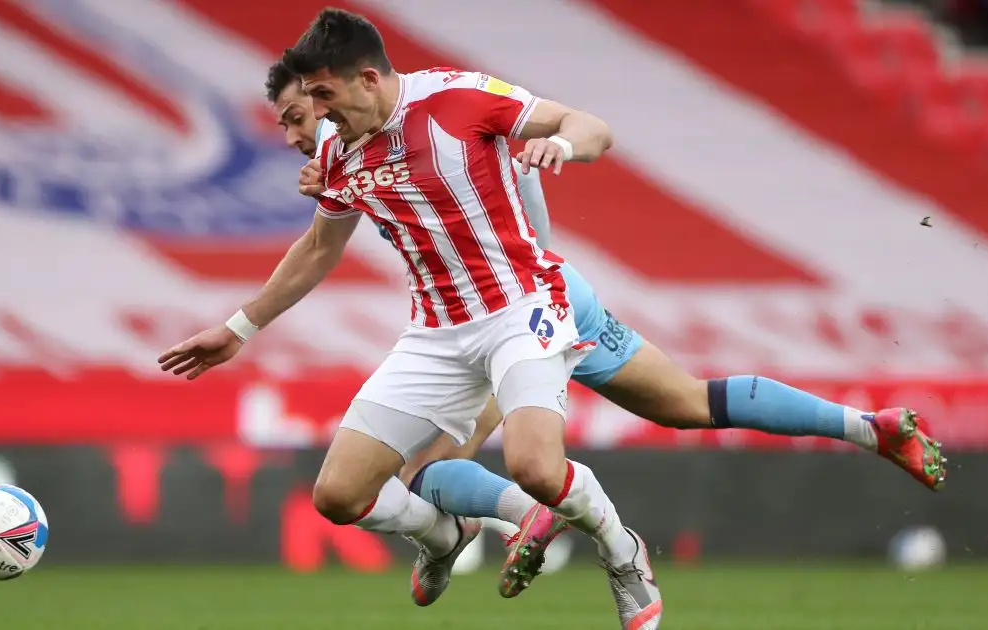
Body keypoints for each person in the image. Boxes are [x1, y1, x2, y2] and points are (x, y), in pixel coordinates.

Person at [161, 8, 663, 629]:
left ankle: (623, 554)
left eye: (324, 95)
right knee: (340, 496)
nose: (318, 113)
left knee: (535, 467)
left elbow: (590, 126)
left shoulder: (457, 98)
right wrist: (237, 330)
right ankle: (442, 536)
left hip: (521, 308)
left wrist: (560, 143)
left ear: (367, 80)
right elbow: (319, 248)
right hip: (436, 333)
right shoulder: (338, 150)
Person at [267, 62, 949, 499]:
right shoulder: (353, 152)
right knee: (687, 402)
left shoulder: (441, 115)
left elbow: (568, 130)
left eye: (309, 112)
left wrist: (564, 142)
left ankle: (508, 530)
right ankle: (869, 427)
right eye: (301, 119)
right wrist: (328, 178)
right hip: (549, 299)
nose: (308, 128)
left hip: (514, 310)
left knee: (435, 469)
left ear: (355, 85)